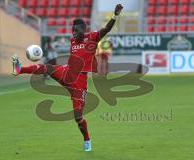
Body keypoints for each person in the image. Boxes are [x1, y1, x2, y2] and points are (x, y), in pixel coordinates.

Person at [12, 4, 123, 152]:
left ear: (83, 30)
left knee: (78, 118)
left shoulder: (92, 37)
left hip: (79, 83)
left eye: (76, 30)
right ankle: (19, 69)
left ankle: (87, 139)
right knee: (47, 67)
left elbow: (107, 29)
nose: (73, 33)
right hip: (67, 72)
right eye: (72, 30)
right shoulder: (72, 40)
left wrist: (115, 15)